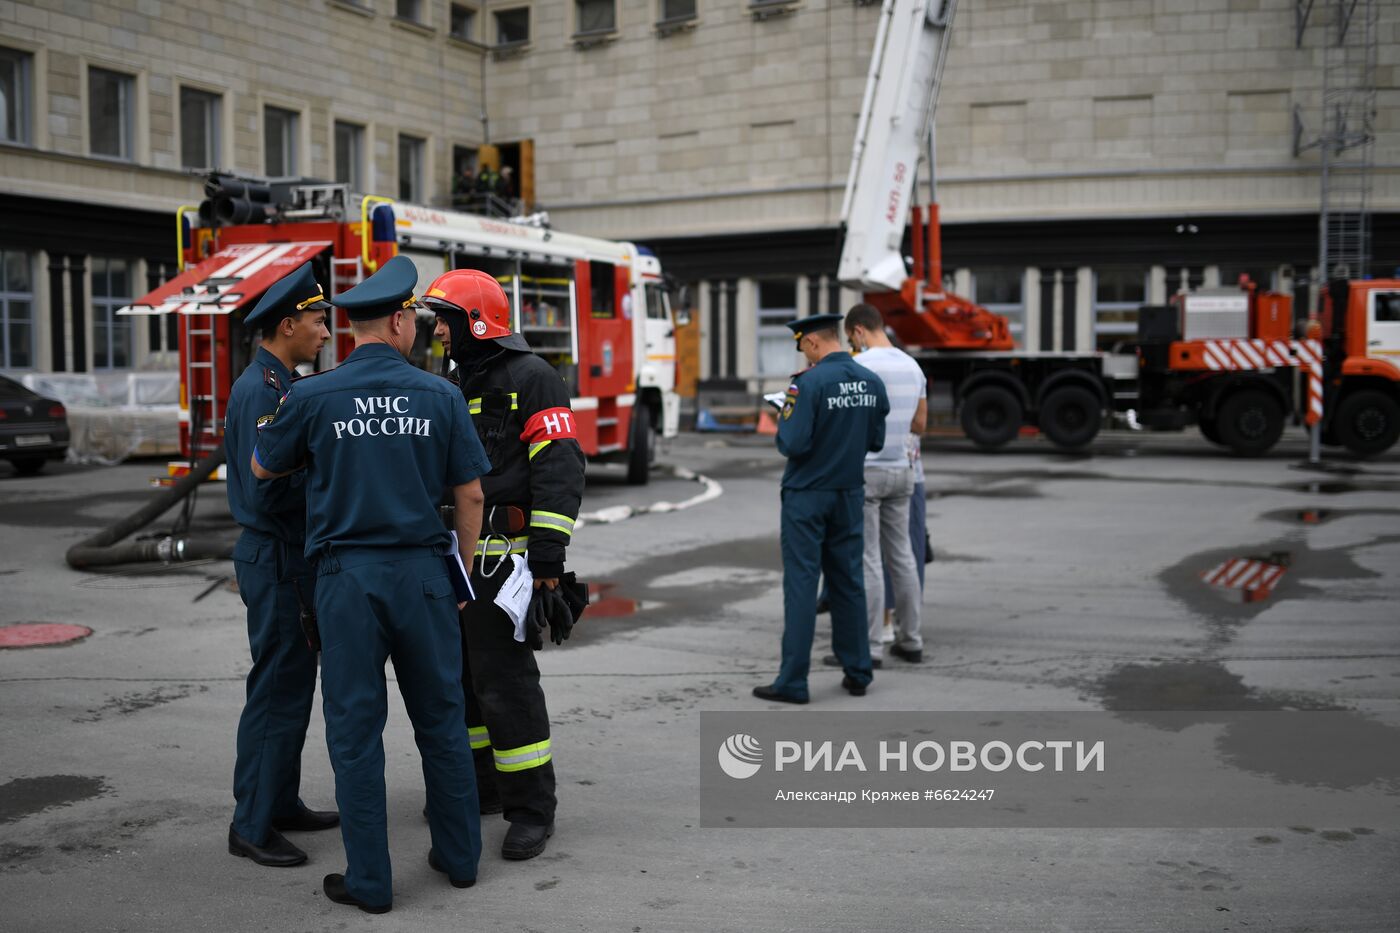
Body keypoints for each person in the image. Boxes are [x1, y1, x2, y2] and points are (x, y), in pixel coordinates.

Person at [251, 255, 490, 913]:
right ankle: (461, 858)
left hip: (346, 580)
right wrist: (460, 574)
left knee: (355, 731)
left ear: (353, 327)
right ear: (399, 319)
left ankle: (371, 882)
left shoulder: (310, 394)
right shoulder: (439, 394)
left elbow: (260, 467)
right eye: (414, 315)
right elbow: (470, 494)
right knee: (441, 720)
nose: (417, 325)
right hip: (423, 576)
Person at [424, 268, 585, 861]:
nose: (437, 329)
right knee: (461, 679)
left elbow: (560, 466)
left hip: (505, 560)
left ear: (475, 321)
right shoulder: (454, 378)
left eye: (445, 319)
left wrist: (547, 561)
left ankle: (531, 811)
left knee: (506, 685)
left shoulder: (534, 378)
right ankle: (482, 788)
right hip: (453, 557)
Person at [224, 262, 338, 868]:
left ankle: (280, 801)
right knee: (276, 690)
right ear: (289, 322)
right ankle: (251, 824)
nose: (325, 332)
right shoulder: (263, 392)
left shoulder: (279, 383)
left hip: (286, 554)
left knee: (293, 686)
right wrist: (335, 486)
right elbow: (267, 488)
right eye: (319, 321)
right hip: (278, 556)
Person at [754, 313, 889, 704]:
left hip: (806, 496)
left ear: (812, 342)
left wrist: (784, 414)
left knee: (801, 584)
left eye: (804, 347)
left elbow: (792, 444)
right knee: (849, 581)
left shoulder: (807, 384)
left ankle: (793, 681)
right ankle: (858, 670)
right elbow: (877, 441)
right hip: (849, 492)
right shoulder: (871, 381)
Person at [841, 304, 927, 664]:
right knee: (903, 556)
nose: (852, 345)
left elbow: (846, 423)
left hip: (868, 471)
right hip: (903, 471)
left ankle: (871, 647)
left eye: (851, 339)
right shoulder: (913, 366)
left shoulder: (860, 367)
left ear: (859, 331)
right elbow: (920, 424)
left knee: (869, 559)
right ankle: (911, 641)